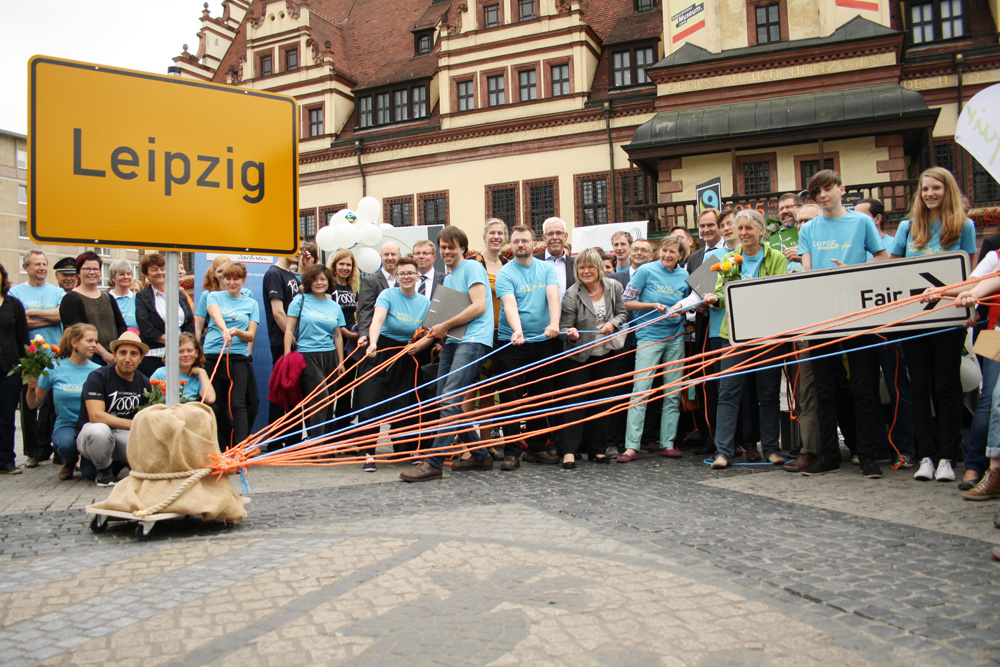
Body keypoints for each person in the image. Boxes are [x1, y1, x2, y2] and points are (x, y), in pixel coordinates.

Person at [796, 169, 888, 478]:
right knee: (824, 390)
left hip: (857, 313)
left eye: (827, 189)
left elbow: (883, 258)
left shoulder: (861, 222)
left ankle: (868, 455)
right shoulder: (808, 229)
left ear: (841, 189)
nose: (823, 196)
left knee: (863, 389)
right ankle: (829, 455)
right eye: (817, 192)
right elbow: (807, 270)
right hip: (822, 315)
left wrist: (853, 270)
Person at [890, 167, 976, 483]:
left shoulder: (964, 226)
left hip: (949, 320)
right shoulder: (907, 227)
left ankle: (947, 457)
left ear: (947, 190)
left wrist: (971, 305)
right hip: (915, 319)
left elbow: (970, 274)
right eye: (925, 189)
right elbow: (893, 274)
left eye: (936, 188)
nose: (929, 194)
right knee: (920, 386)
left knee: (947, 387)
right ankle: (926, 455)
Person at [695, 209, 788, 468]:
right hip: (733, 336)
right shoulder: (727, 259)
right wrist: (713, 299)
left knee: (768, 394)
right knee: (728, 393)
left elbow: (778, 291)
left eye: (749, 228)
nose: (744, 233)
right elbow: (719, 292)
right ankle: (723, 452)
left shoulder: (776, 257)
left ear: (761, 230)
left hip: (767, 335)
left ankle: (771, 449)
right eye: (741, 229)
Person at [400, 227, 494, 482]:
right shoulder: (449, 278)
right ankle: (480, 455)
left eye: (451, 247)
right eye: (443, 247)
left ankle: (433, 463)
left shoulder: (473, 268)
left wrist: (444, 326)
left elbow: (479, 306)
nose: (447, 251)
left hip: (473, 340)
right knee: (444, 399)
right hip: (453, 340)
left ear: (462, 248)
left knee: (450, 400)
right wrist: (429, 338)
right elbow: (443, 321)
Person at [494, 225, 561, 471]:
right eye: (515, 241)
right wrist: (517, 329)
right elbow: (509, 305)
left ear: (534, 243)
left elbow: (553, 297)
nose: (520, 244)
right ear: (509, 246)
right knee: (510, 397)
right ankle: (511, 451)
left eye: (524, 240)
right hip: (513, 343)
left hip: (543, 342)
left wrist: (554, 324)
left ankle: (536, 448)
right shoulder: (505, 273)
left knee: (541, 396)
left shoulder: (546, 269)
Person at [620, 235, 691, 462]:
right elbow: (625, 301)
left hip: (675, 337)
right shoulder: (646, 271)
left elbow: (691, 303)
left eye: (673, 252)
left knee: (672, 391)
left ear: (680, 255)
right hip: (649, 337)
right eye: (664, 251)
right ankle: (631, 446)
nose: (667, 255)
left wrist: (684, 314)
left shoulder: (685, 276)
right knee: (641, 390)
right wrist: (651, 305)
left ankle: (668, 443)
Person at [362, 257, 435, 471]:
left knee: (405, 405)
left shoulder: (425, 303)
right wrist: (372, 343)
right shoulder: (387, 295)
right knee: (372, 402)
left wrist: (420, 346)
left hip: (407, 354)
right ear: (396, 276)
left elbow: (430, 332)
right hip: (381, 353)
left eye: (410, 273)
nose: (406, 277)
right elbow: (377, 320)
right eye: (402, 273)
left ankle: (407, 449)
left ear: (417, 276)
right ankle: (368, 454)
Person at [559, 248, 627, 468]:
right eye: (581, 267)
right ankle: (570, 451)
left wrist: (613, 324)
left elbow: (622, 313)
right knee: (576, 402)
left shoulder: (614, 287)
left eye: (590, 266)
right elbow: (564, 326)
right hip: (579, 355)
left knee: (601, 400)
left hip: (606, 352)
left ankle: (597, 450)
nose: (586, 271)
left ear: (599, 268)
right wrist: (571, 333)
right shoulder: (572, 293)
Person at [9, 250, 64, 467]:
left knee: (53, 405)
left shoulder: (57, 291)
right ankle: (33, 452)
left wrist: (31, 314)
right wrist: (48, 318)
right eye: (36, 264)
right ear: (26, 268)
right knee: (30, 405)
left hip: (55, 356)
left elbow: (61, 315)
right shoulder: (15, 292)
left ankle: (57, 450)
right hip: (29, 359)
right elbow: (20, 322)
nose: (41, 268)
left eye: (44, 264)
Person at [76, 331, 151, 486]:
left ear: (141, 358)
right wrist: (134, 424)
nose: (127, 358)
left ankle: (118, 463)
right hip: (96, 433)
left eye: (133, 354)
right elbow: (96, 416)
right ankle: (104, 469)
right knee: (99, 432)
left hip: (123, 434)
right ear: (114, 355)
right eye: (122, 353)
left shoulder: (144, 382)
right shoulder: (98, 377)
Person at [27, 323, 100, 480]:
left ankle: (86, 458)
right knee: (66, 445)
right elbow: (34, 403)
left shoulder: (98, 371)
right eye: (89, 341)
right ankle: (69, 460)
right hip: (66, 426)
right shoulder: (53, 368)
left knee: (90, 474)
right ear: (74, 343)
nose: (94, 345)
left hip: (89, 427)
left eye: (96, 341)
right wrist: (31, 388)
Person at [284, 264, 345, 441]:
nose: (319, 283)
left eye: (323, 279)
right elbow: (289, 329)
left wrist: (340, 361)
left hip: (330, 356)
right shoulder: (299, 301)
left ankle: (323, 439)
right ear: (309, 282)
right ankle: (316, 443)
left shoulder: (334, 306)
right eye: (316, 279)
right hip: (307, 356)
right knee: (321, 399)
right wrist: (287, 354)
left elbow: (338, 335)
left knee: (330, 400)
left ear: (329, 282)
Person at [205, 262, 260, 449]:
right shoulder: (213, 296)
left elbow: (251, 335)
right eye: (228, 278)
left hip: (238, 357)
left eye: (236, 278)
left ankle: (240, 450)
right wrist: (224, 329)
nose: (231, 282)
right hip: (213, 355)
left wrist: (237, 332)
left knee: (238, 404)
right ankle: (226, 445)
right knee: (216, 404)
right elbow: (215, 315)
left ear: (244, 280)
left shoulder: (251, 303)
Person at [59, 252, 127, 367]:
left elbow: (121, 326)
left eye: (95, 269)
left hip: (113, 357)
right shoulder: (71, 299)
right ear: (78, 273)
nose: (91, 273)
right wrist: (104, 353)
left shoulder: (107, 297)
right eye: (87, 269)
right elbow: (77, 334)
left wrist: (118, 351)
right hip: (88, 360)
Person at [135, 253, 195, 377]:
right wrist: (175, 341)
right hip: (155, 356)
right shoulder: (142, 297)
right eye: (154, 269)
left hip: (180, 354)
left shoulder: (179, 294)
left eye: (163, 269)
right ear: (147, 274)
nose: (160, 272)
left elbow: (189, 321)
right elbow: (146, 327)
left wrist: (183, 342)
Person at [263, 253, 301, 445]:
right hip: (282, 341)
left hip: (296, 341)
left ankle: (293, 439)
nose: (299, 252)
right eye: (295, 248)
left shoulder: (292, 275)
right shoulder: (274, 274)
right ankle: (276, 441)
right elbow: (278, 312)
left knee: (295, 391)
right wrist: (290, 335)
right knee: (280, 390)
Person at [0, 263, 28, 475]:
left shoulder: (13, 304)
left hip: (8, 368)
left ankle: (6, 460)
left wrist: (25, 366)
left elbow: (22, 338)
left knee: (6, 416)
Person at [328, 248, 361, 427]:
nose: (345, 268)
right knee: (336, 387)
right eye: (341, 264)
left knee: (346, 386)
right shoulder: (328, 286)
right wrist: (346, 333)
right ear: (334, 265)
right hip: (334, 340)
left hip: (350, 344)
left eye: (348, 264)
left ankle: (342, 425)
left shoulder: (351, 287)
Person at [150, 332, 216, 404]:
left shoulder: (198, 376)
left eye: (189, 350)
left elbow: (210, 399)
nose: (185, 355)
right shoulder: (160, 373)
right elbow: (150, 400)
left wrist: (202, 372)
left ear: (196, 352)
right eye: (180, 351)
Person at [535, 217, 575, 300]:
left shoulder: (576, 265)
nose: (555, 237)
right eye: (550, 234)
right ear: (544, 238)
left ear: (565, 236)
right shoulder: (533, 263)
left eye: (558, 233)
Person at [195, 255, 232, 342]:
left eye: (226, 270)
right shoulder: (207, 295)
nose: (223, 274)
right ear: (214, 274)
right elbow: (198, 326)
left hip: (236, 345)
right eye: (220, 271)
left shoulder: (243, 294)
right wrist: (196, 349)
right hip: (212, 344)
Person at [107, 259, 137, 330]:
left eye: (129, 274)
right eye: (121, 274)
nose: (126, 277)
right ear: (113, 278)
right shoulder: (106, 299)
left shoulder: (138, 299)